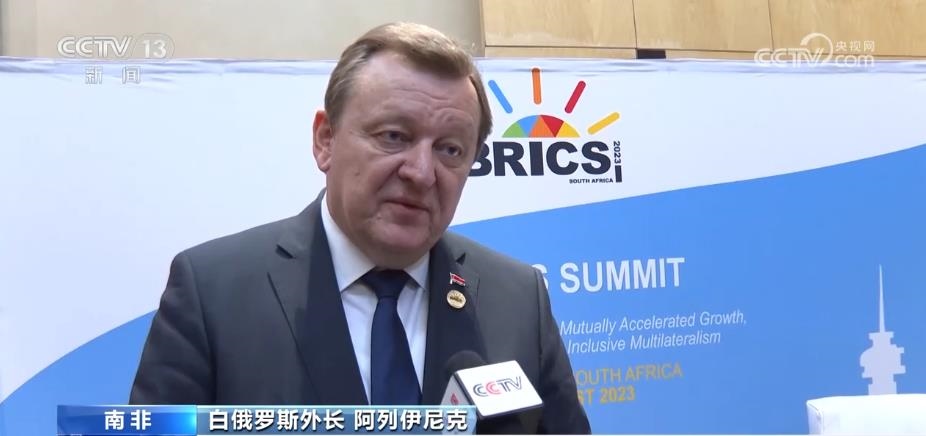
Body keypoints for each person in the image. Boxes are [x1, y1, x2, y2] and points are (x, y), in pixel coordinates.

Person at [129, 22, 590, 434]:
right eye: (394, 137)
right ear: (325, 140)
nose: (421, 172)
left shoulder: (518, 299)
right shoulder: (214, 293)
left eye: (450, 149)